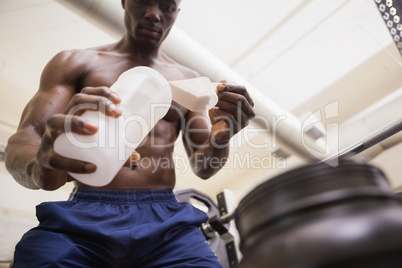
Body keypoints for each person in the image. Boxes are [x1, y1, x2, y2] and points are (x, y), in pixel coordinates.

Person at [5, 0, 255, 267]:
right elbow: (28, 135)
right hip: (85, 215)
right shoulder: (75, 62)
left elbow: (204, 166)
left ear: (176, 13)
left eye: (167, 6)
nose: (153, 14)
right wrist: (36, 168)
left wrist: (222, 136)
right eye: (144, 1)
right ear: (124, 2)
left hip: (166, 223)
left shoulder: (189, 78)